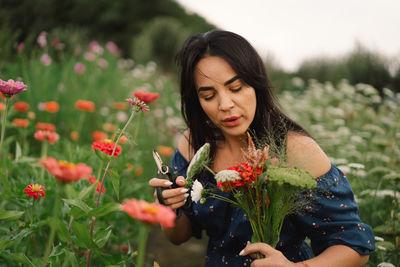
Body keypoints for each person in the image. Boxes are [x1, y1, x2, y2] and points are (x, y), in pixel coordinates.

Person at [149, 30, 374, 267]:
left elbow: (353, 245)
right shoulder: (194, 145)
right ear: (197, 100)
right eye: (209, 95)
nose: (225, 105)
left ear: (256, 84)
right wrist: (169, 207)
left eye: (236, 88)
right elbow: (178, 237)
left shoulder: (295, 150)